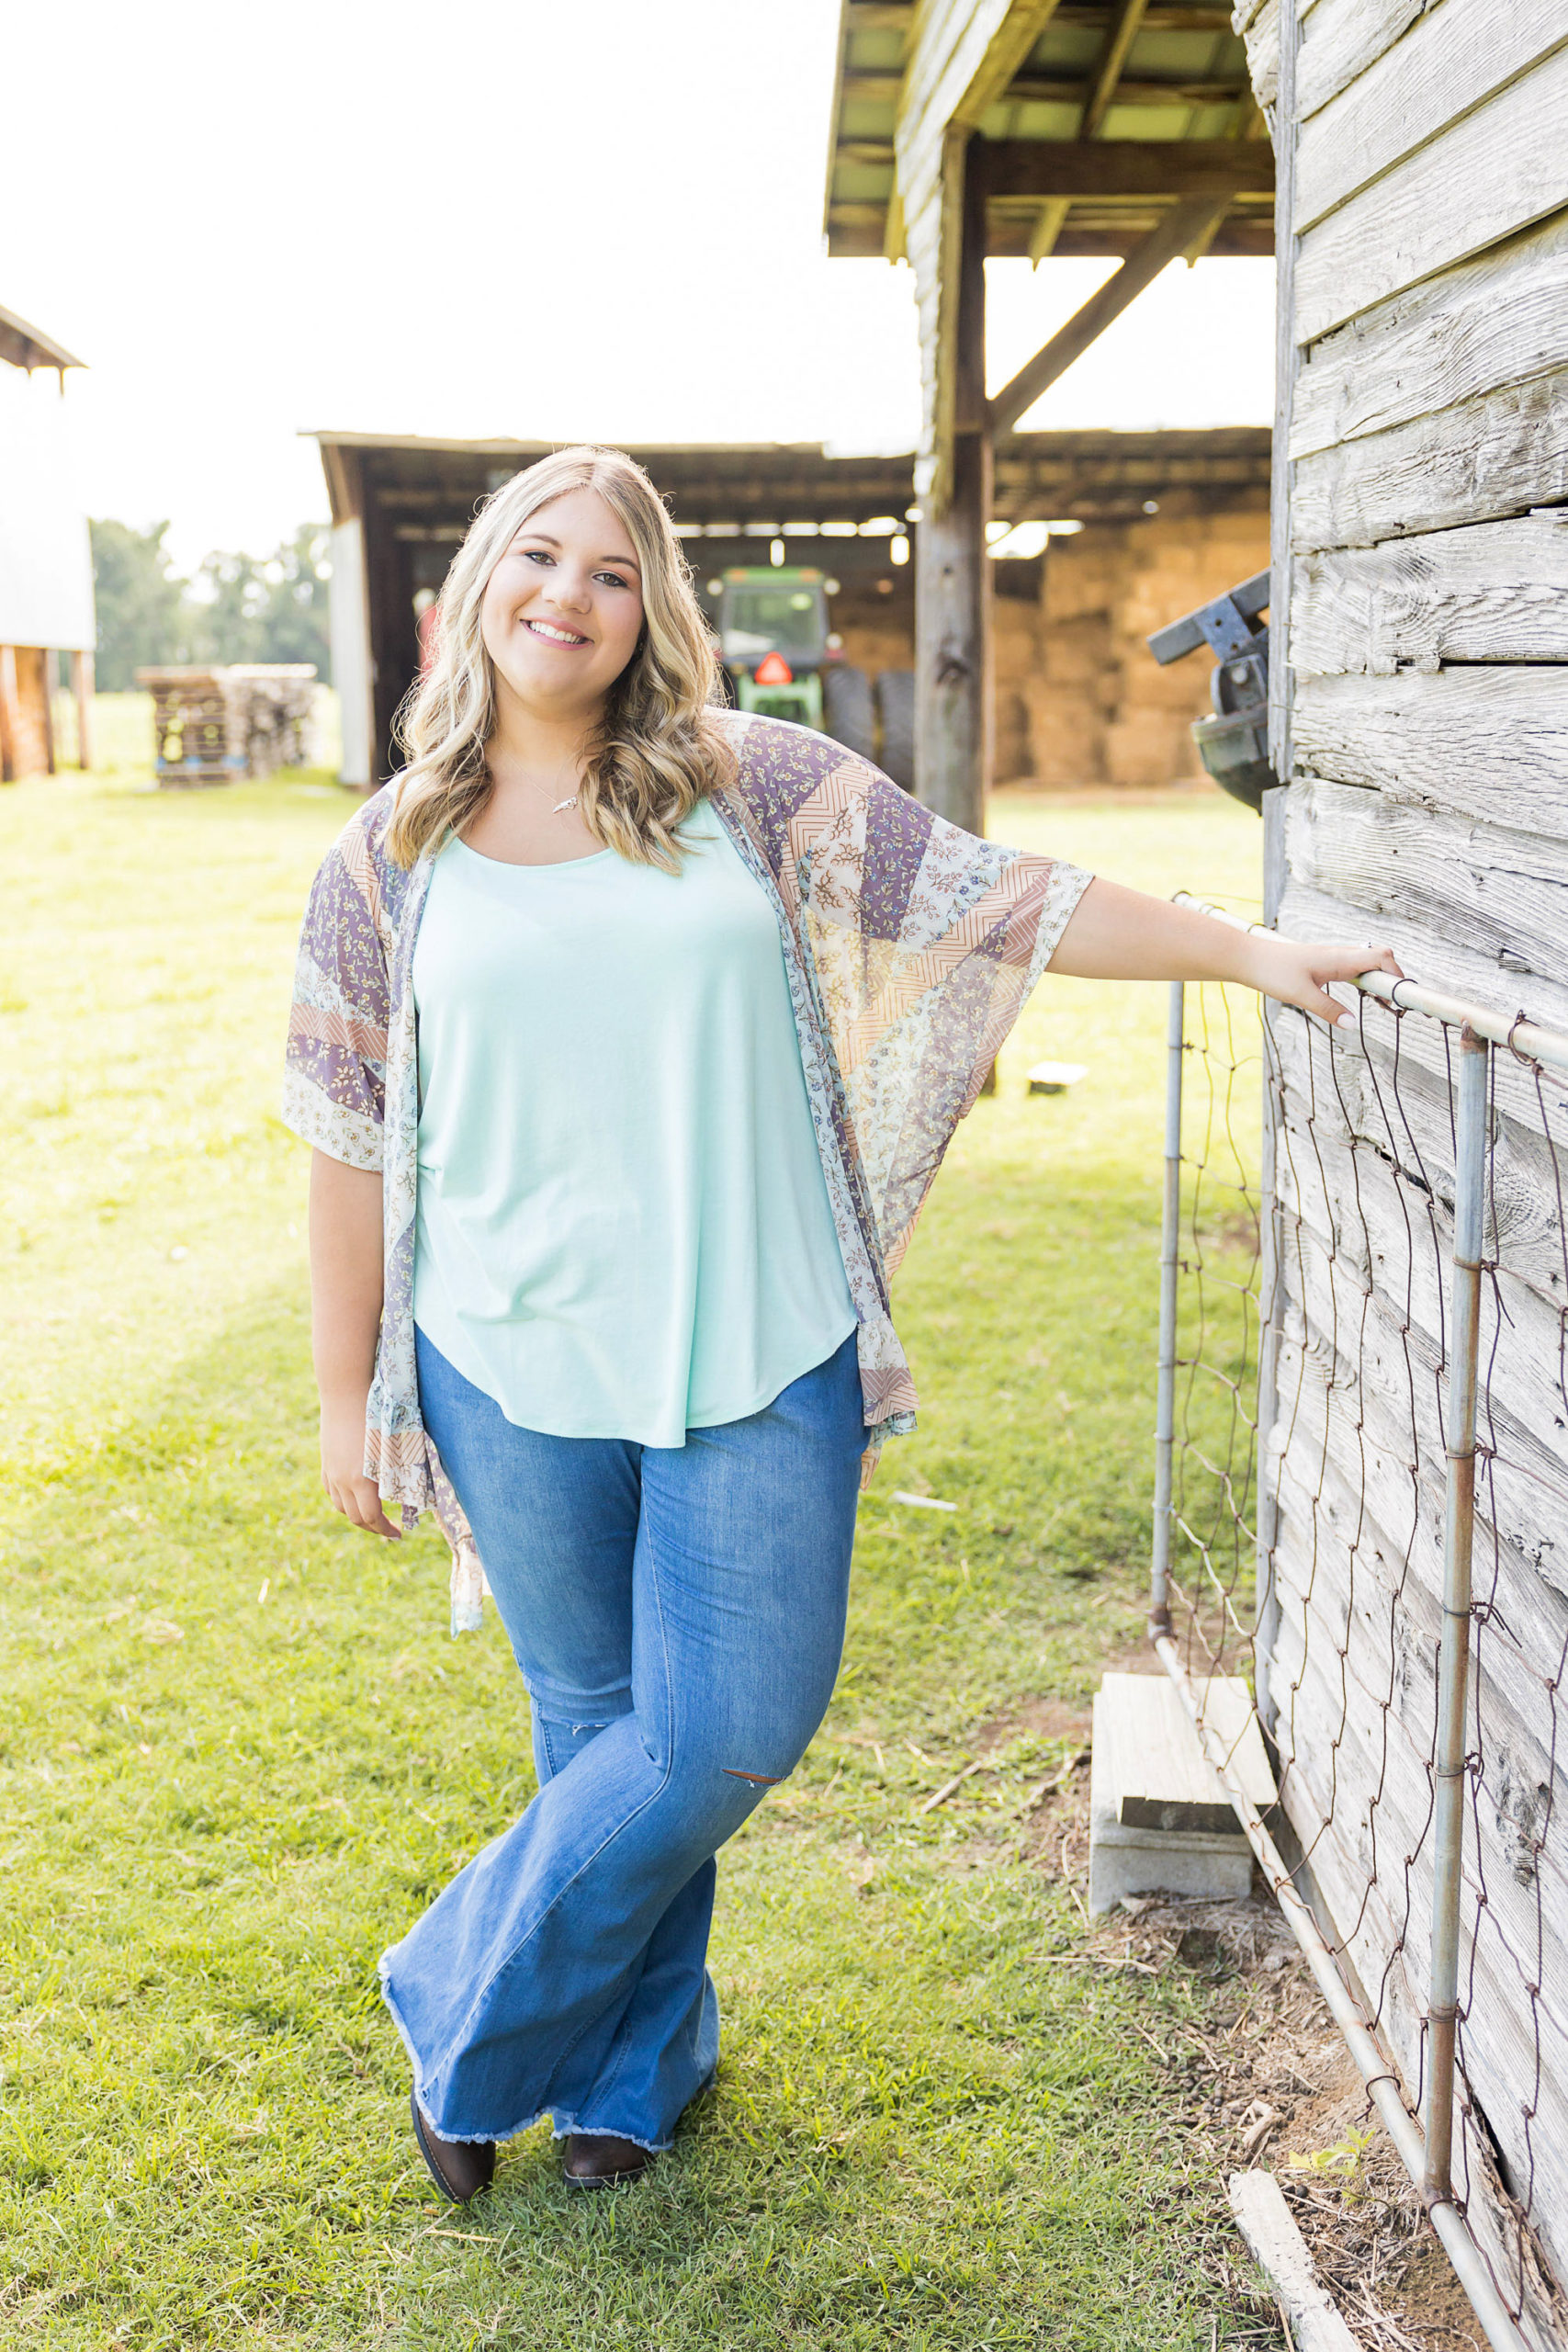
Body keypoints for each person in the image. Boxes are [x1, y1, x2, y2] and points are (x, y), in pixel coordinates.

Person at [283, 444, 1396, 2203]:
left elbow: (994, 898)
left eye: (613, 570)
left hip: (758, 1336)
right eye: (540, 557)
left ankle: (458, 1994)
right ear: (478, 585)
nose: (568, 595)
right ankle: (630, 2080)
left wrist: (1245, 951)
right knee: (600, 1735)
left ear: (652, 610)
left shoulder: (748, 787)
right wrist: (349, 1396)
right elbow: (347, 1137)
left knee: (724, 1726)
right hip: (508, 1358)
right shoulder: (390, 853)